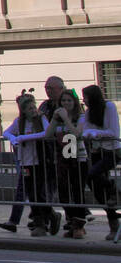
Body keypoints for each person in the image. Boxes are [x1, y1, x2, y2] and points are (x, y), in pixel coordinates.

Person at [2, 92, 54, 236]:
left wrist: (25, 137)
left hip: (40, 161)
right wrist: (13, 138)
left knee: (39, 193)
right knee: (31, 193)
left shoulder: (41, 118)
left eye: (33, 107)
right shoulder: (19, 121)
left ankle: (44, 220)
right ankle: (43, 220)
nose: (33, 111)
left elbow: (47, 133)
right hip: (26, 162)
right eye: (29, 108)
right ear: (23, 110)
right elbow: (6, 132)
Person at [79, 84, 120, 241]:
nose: (85, 100)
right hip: (96, 151)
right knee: (94, 185)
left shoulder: (108, 107)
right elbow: (87, 129)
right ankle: (113, 222)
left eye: (86, 97)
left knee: (92, 174)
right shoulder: (89, 112)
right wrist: (88, 134)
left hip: (111, 150)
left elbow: (113, 132)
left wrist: (94, 133)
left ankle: (113, 189)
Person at [47, 89, 89, 238]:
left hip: (78, 159)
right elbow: (48, 134)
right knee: (64, 192)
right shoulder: (59, 117)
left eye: (69, 101)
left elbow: (77, 134)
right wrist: (54, 118)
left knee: (77, 191)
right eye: (63, 101)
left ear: (75, 103)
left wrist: (66, 119)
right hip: (62, 158)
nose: (66, 103)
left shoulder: (81, 117)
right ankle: (71, 222)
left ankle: (79, 225)